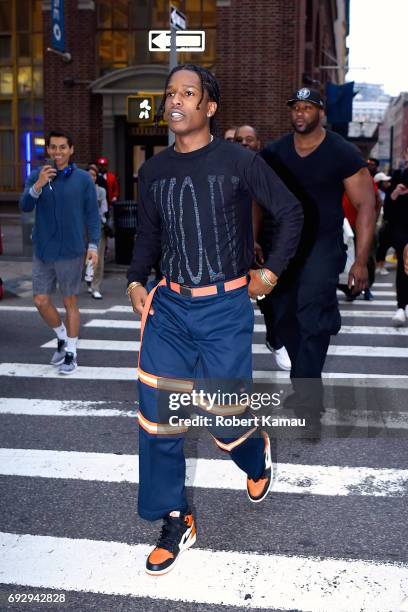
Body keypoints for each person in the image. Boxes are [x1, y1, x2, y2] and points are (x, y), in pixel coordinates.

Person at [127, 64, 303, 576]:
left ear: (209, 106)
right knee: (159, 421)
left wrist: (268, 274)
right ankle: (174, 518)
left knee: (225, 419)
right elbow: (148, 237)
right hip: (170, 309)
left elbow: (290, 213)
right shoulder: (153, 171)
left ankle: (254, 451)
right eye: (169, 94)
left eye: (188, 92)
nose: (175, 100)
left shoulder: (239, 161)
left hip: (225, 308)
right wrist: (137, 280)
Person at [261, 88, 376, 433]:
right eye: (295, 107)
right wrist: (251, 238)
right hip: (282, 247)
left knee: (312, 317)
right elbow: (254, 195)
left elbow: (366, 205)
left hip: (323, 247)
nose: (300, 113)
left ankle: (310, 406)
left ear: (321, 113)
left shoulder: (341, 152)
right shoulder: (276, 152)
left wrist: (361, 262)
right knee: (281, 318)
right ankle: (304, 383)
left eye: (308, 107)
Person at [20, 130, 100, 374]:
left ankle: (72, 354)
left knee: (70, 302)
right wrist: (38, 186)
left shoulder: (84, 180)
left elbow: (92, 215)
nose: (57, 152)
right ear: (49, 150)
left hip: (71, 250)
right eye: (53, 147)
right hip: (43, 250)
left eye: (62, 147)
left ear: (71, 149)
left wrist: (94, 246)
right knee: (40, 300)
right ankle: (62, 337)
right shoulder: (37, 176)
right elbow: (25, 206)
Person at [235, 124, 291, 371]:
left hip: (260, 240)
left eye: (249, 139)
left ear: (259, 142)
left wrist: (254, 239)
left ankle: (275, 339)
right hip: (225, 242)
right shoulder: (222, 165)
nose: (244, 143)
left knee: (268, 296)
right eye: (239, 140)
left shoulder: (267, 168)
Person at [87, 166, 108, 299]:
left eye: (94, 175)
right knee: (84, 259)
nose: (91, 178)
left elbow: (104, 210)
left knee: (98, 259)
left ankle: (96, 286)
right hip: (82, 229)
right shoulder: (79, 191)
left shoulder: (101, 191)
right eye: (89, 175)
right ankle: (89, 281)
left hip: (99, 228)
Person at [374, 171, 392, 276]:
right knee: (380, 245)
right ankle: (379, 265)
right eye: (385, 181)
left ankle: (380, 265)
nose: (387, 183)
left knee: (382, 245)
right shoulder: (376, 193)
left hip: (382, 222)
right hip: (377, 223)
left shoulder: (385, 193)